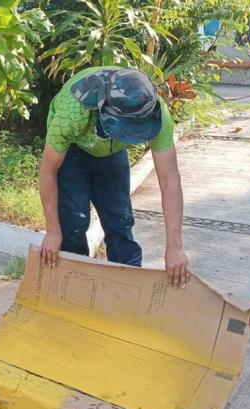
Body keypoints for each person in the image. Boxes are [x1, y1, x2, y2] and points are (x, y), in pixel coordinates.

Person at [38, 66, 191, 288]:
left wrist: (175, 247)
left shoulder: (155, 112)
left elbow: (170, 181)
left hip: (112, 154)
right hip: (73, 151)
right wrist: (52, 231)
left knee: (120, 223)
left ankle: (128, 293)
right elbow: (47, 171)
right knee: (72, 225)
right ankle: (72, 292)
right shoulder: (73, 110)